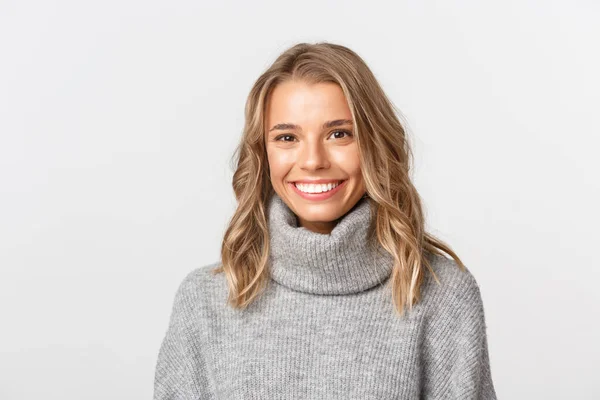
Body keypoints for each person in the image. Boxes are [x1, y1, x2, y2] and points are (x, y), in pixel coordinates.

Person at [153, 42, 497, 399]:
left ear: (374, 144)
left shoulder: (442, 296)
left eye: (339, 134)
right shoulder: (205, 301)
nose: (313, 160)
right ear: (263, 152)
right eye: (287, 137)